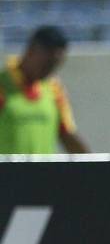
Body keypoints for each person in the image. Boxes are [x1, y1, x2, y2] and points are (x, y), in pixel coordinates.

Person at [0, 26, 89, 155]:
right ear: (31, 51)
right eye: (47, 63)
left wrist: (93, 164)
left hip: (44, 169)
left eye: (56, 65)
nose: (50, 70)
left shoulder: (54, 89)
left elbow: (66, 133)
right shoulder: (3, 86)